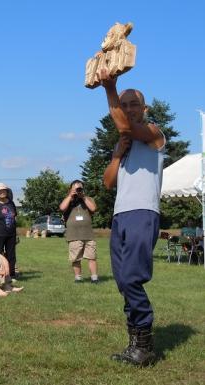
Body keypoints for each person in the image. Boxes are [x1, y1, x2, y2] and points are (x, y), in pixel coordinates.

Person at [101, 68, 165, 366]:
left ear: (145, 109)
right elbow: (107, 182)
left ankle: (145, 346)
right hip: (120, 216)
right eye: (123, 104)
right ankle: (135, 343)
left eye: (133, 104)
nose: (128, 109)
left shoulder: (154, 134)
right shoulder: (124, 142)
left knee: (131, 277)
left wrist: (110, 89)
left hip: (143, 212)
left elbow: (128, 128)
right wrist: (116, 155)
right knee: (122, 280)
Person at [59, 180, 98, 283]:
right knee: (76, 258)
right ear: (71, 189)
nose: (78, 191)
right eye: (75, 189)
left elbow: (93, 209)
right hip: (73, 235)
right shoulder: (68, 200)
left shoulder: (88, 199)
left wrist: (83, 197)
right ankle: (78, 278)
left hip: (88, 234)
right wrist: (70, 196)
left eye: (80, 188)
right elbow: (62, 208)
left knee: (92, 257)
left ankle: (94, 278)